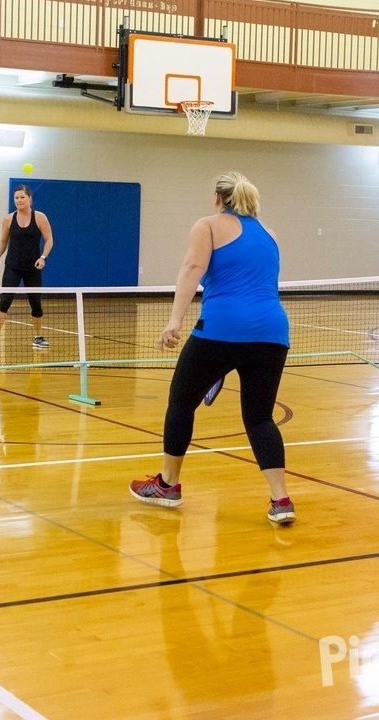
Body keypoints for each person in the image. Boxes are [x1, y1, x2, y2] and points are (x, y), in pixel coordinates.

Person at [129, 171, 295, 525]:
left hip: (221, 329)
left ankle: (168, 485)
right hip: (272, 332)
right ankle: (281, 499)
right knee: (260, 417)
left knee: (181, 402)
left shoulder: (206, 225)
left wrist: (175, 320)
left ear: (217, 199)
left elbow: (192, 268)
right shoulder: (270, 233)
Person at [0, 184, 54, 351]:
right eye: (16, 198)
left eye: (22, 197)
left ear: (30, 198)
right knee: (5, 302)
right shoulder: (8, 219)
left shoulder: (40, 217)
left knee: (36, 303)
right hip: (12, 267)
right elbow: (3, 241)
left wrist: (43, 257)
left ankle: (38, 337)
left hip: (33, 268)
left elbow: (49, 240)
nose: (19, 200)